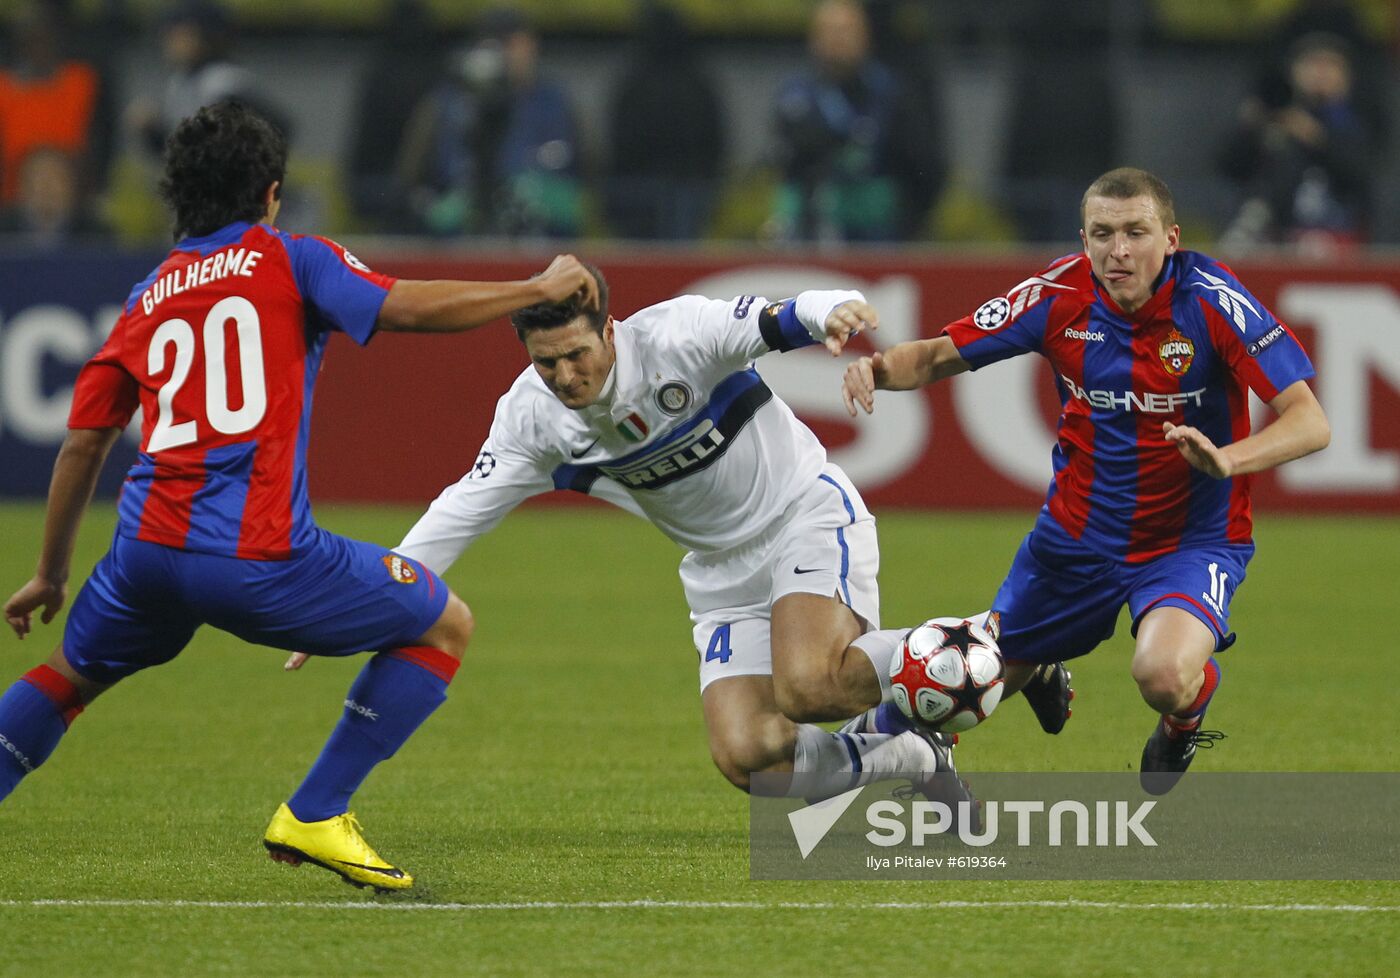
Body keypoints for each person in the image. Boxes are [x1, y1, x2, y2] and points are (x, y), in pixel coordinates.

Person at [0, 102, 598, 891]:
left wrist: (50, 572)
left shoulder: (145, 297)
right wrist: (533, 287)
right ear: (272, 193)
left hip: (143, 551)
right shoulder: (287, 258)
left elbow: (84, 442)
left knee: (70, 675)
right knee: (443, 624)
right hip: (254, 555)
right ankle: (316, 811)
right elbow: (407, 308)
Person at [287, 267, 972, 805]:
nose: (565, 376)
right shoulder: (532, 419)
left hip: (802, 513)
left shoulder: (678, 335)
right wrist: (364, 598)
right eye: (546, 362)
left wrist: (835, 309)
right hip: (718, 571)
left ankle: (1000, 641)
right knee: (751, 758)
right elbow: (458, 512)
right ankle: (908, 753)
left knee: (811, 688)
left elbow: (780, 318)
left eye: (576, 354)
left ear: (610, 331)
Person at [841, 167, 1330, 793]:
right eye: (1102, 234)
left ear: (1171, 238)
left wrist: (1228, 461)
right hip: (1076, 538)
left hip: (1192, 540)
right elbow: (937, 354)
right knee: (958, 680)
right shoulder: (1056, 295)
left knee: (1161, 675)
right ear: (1084, 237)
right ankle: (870, 752)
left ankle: (1184, 719)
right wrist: (876, 370)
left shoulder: (1212, 300)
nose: (1118, 250)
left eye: (1135, 232)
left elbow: (1310, 422)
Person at [397, 6, 581, 238]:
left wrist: (544, 196)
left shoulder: (555, 103)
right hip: (458, 242)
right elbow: (411, 184)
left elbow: (586, 184)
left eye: (521, 43)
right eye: (505, 44)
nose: (517, 54)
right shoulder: (445, 104)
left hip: (541, 240)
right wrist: (441, 208)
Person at [770, 0, 930, 243]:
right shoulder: (795, 94)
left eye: (846, 30)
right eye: (830, 30)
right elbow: (790, 154)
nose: (838, 39)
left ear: (865, 36)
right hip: (810, 225)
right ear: (814, 39)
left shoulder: (890, 92)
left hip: (878, 230)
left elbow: (918, 161)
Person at [1218, 32, 1376, 252]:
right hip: (1276, 240)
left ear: (1347, 77)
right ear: (1293, 72)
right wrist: (1251, 129)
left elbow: (1365, 176)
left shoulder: (1363, 120)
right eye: (1312, 64)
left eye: (1330, 65)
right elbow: (1229, 168)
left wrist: (1317, 138)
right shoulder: (1275, 116)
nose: (1321, 74)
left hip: (1339, 239)